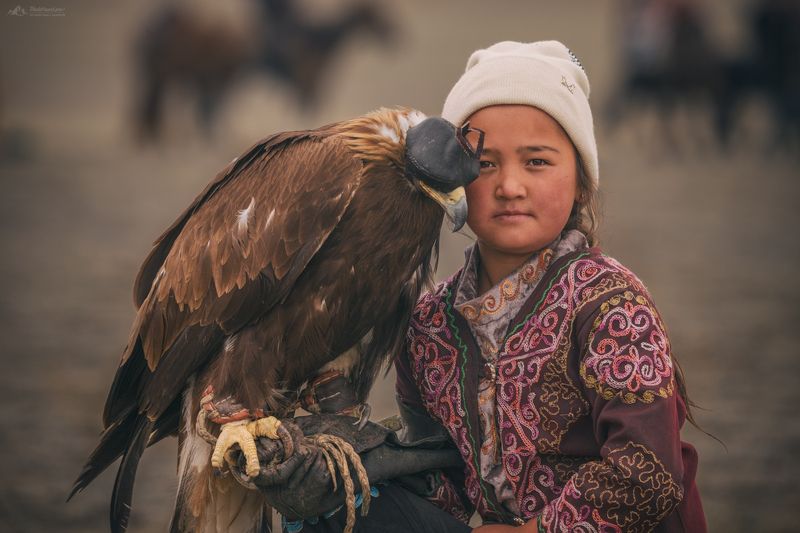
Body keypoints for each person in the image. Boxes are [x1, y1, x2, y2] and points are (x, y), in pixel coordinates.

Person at [252, 40, 707, 532]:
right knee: (340, 507)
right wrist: (341, 467)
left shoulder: (610, 302)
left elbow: (649, 475)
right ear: (451, 176)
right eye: (485, 164)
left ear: (581, 181)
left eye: (537, 162)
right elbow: (445, 478)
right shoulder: (429, 322)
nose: (510, 186)